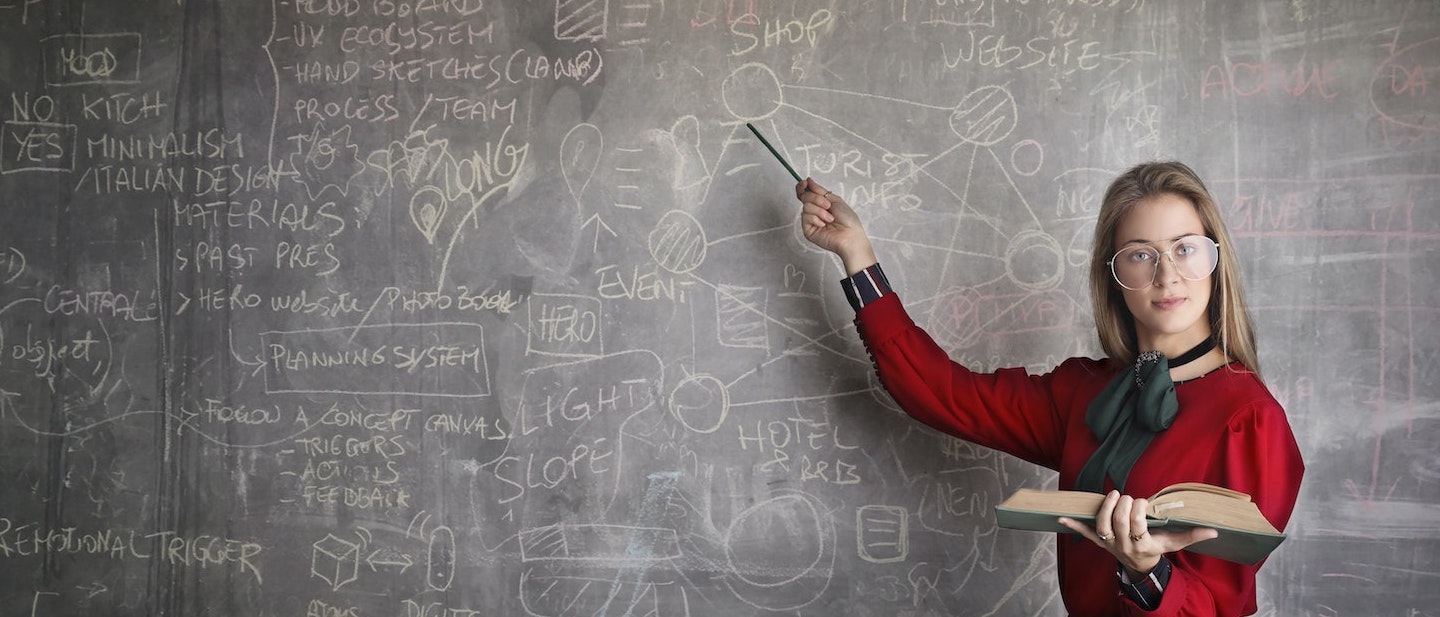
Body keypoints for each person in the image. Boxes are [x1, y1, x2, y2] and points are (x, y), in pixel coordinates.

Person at [793, 161, 1303, 616]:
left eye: (1185, 249)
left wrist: (1148, 574)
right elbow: (939, 393)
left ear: (1215, 263)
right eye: (1141, 255)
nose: (1167, 275)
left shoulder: (1249, 419)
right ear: (1113, 275)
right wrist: (857, 254)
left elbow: (1220, 607)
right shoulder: (1084, 392)